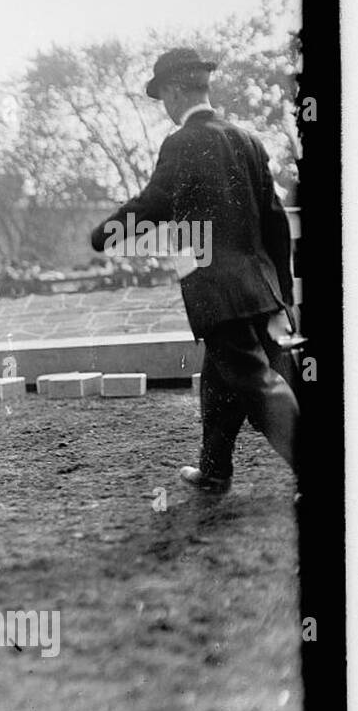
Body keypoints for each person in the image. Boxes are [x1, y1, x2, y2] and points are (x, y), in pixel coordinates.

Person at [91, 47, 298, 493]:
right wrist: (284, 295)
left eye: (162, 96)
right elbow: (276, 222)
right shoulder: (247, 139)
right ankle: (215, 470)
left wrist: (104, 235)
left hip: (216, 290)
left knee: (259, 386)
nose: (164, 107)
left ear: (173, 90)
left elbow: (154, 204)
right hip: (258, 288)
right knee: (222, 384)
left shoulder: (182, 143)